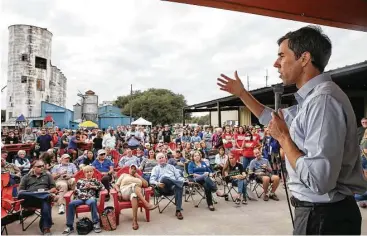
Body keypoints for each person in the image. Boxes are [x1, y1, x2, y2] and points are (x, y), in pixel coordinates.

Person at [217, 25, 367, 234]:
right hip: (320, 214)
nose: (276, 63)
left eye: (281, 56)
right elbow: (272, 119)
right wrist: (242, 93)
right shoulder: (313, 100)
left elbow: (319, 180)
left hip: (324, 217)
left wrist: (284, 139)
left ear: (304, 58)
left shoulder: (322, 101)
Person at [18, 160, 57, 235]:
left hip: (43, 199)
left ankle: (46, 228)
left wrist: (48, 192)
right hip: (30, 200)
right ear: (33, 167)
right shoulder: (26, 177)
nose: (42, 168)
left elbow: (54, 188)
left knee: (46, 202)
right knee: (22, 193)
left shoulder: (48, 175)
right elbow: (20, 191)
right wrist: (36, 194)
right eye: (39, 166)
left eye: (43, 166)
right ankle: (43, 195)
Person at [114, 164, 157, 230]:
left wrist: (138, 176)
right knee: (135, 185)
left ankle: (135, 221)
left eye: (135, 169)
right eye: (132, 168)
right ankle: (146, 203)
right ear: (129, 169)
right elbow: (116, 185)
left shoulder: (138, 177)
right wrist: (119, 192)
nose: (133, 170)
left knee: (134, 196)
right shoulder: (124, 175)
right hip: (125, 192)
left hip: (137, 193)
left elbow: (146, 185)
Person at [63, 165, 103, 234]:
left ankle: (96, 223)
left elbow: (103, 188)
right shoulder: (80, 181)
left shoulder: (95, 180)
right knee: (71, 204)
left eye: (90, 171)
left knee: (93, 202)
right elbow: (75, 190)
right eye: (87, 172)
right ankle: (70, 226)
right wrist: (76, 191)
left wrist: (92, 186)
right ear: (84, 173)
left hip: (90, 198)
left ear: (93, 172)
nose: (89, 173)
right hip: (80, 199)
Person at [150, 152, 185, 220]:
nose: (161, 159)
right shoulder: (155, 168)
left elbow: (178, 177)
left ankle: (178, 211)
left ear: (165, 158)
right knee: (165, 178)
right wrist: (157, 183)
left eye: (162, 157)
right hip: (163, 187)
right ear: (157, 160)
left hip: (173, 187)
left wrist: (182, 180)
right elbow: (151, 180)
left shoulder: (171, 167)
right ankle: (180, 183)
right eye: (159, 158)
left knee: (178, 186)